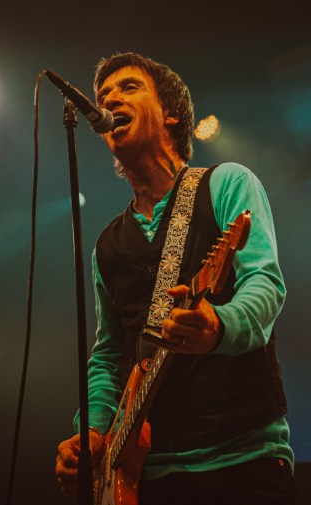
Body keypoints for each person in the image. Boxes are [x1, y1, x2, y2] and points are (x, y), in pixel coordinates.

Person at [54, 52, 297, 504]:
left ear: (171, 114)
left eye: (128, 87)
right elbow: (109, 353)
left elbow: (265, 284)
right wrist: (90, 432)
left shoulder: (226, 184)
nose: (108, 99)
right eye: (103, 94)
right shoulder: (107, 245)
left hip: (239, 459)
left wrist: (217, 326)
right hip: (145, 475)